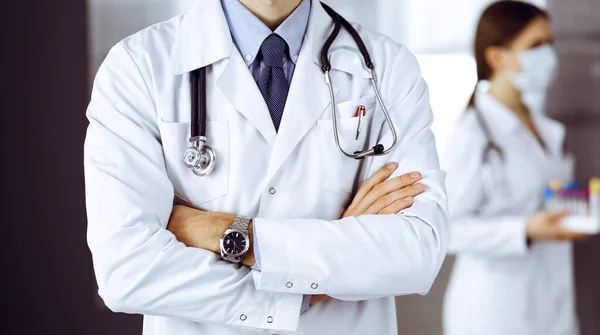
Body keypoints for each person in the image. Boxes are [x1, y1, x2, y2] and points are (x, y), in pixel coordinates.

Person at [84, 0, 449, 334]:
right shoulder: (138, 66)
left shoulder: (387, 65)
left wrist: (231, 234)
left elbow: (415, 251)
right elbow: (127, 270)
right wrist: (303, 293)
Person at [441, 1, 589, 334]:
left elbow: (542, 195)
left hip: (553, 299)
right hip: (496, 310)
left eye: (550, 43)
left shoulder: (543, 127)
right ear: (497, 58)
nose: (548, 54)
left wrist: (583, 201)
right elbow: (449, 230)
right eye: (535, 45)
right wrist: (524, 230)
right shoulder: (472, 135)